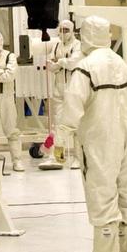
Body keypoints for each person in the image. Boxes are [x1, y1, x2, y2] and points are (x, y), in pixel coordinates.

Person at [56, 15, 127, 252]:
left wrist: (60, 140)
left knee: (102, 198)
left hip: (99, 140)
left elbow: (72, 105)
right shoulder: (121, 63)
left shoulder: (86, 67)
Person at [46, 19, 83, 169]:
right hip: (58, 88)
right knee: (57, 124)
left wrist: (59, 62)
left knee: (75, 124)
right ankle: (57, 157)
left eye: (66, 30)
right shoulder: (56, 45)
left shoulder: (77, 45)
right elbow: (50, 64)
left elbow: (74, 62)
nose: (63, 33)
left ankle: (78, 158)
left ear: (72, 31)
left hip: (73, 87)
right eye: (61, 29)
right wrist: (59, 63)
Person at [0, 30, 25, 173]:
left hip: (7, 98)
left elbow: (10, 75)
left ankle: (17, 161)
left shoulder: (10, 56)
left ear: (1, 41)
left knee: (12, 131)